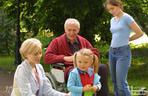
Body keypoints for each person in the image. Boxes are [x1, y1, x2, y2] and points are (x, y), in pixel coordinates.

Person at [44, 18, 109, 96]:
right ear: (65, 30)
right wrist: (65, 58)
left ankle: (101, 93)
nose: (71, 33)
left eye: (74, 30)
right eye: (69, 30)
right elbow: (47, 57)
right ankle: (82, 92)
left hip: (86, 65)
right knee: (76, 72)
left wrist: (90, 57)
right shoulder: (57, 42)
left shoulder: (83, 40)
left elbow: (94, 52)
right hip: (68, 67)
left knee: (102, 68)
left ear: (78, 30)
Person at [104, 0, 144, 96]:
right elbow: (116, 35)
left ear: (118, 6)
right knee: (114, 82)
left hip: (123, 52)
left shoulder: (127, 17)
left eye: (112, 8)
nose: (111, 11)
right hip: (112, 51)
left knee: (121, 83)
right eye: (109, 10)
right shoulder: (112, 20)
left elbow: (140, 33)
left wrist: (128, 39)